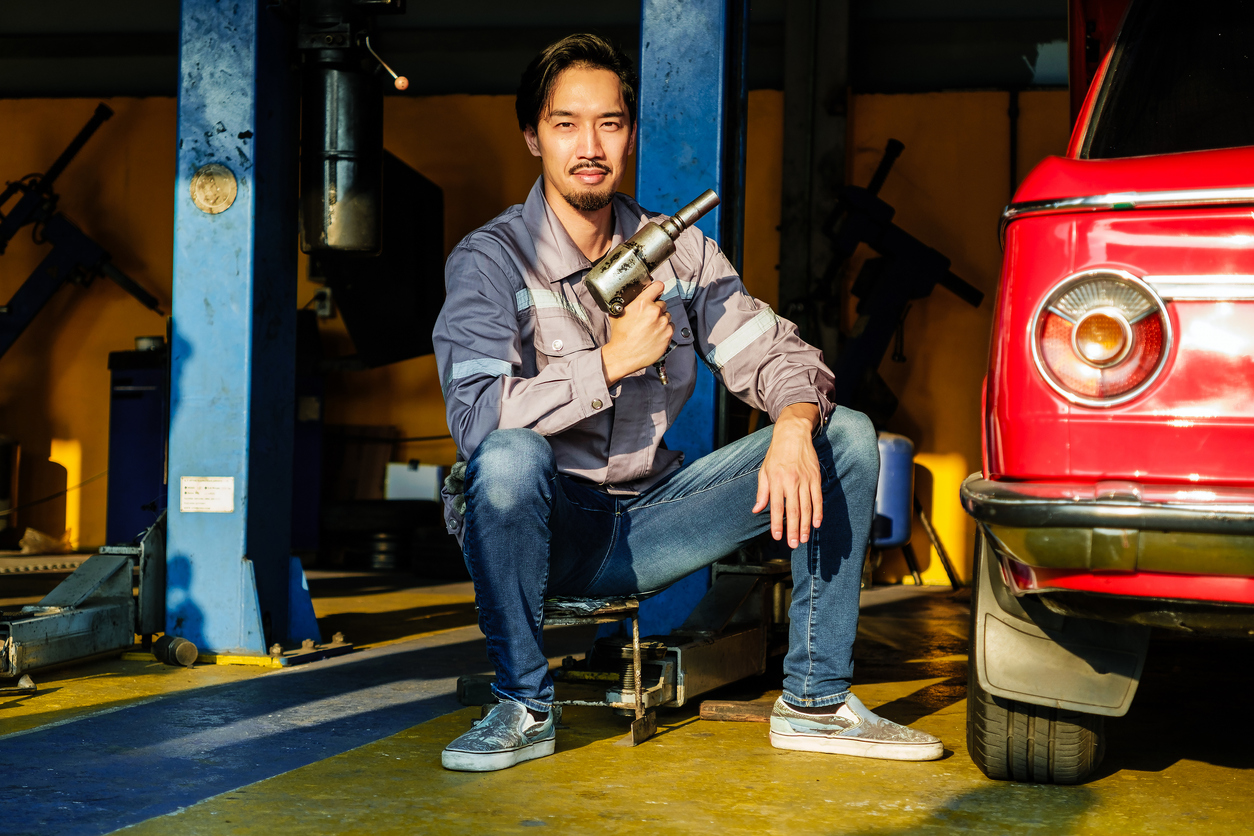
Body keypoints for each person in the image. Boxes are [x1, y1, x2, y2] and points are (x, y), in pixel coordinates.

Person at [433, 33, 943, 773]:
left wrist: (793, 425)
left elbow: (778, 354)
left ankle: (814, 701)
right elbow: (477, 421)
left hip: (651, 521)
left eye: (609, 123)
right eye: (566, 124)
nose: (589, 146)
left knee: (846, 436)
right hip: (549, 531)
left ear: (630, 135)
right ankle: (522, 706)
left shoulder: (678, 251)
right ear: (532, 136)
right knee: (509, 459)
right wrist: (610, 362)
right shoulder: (490, 260)